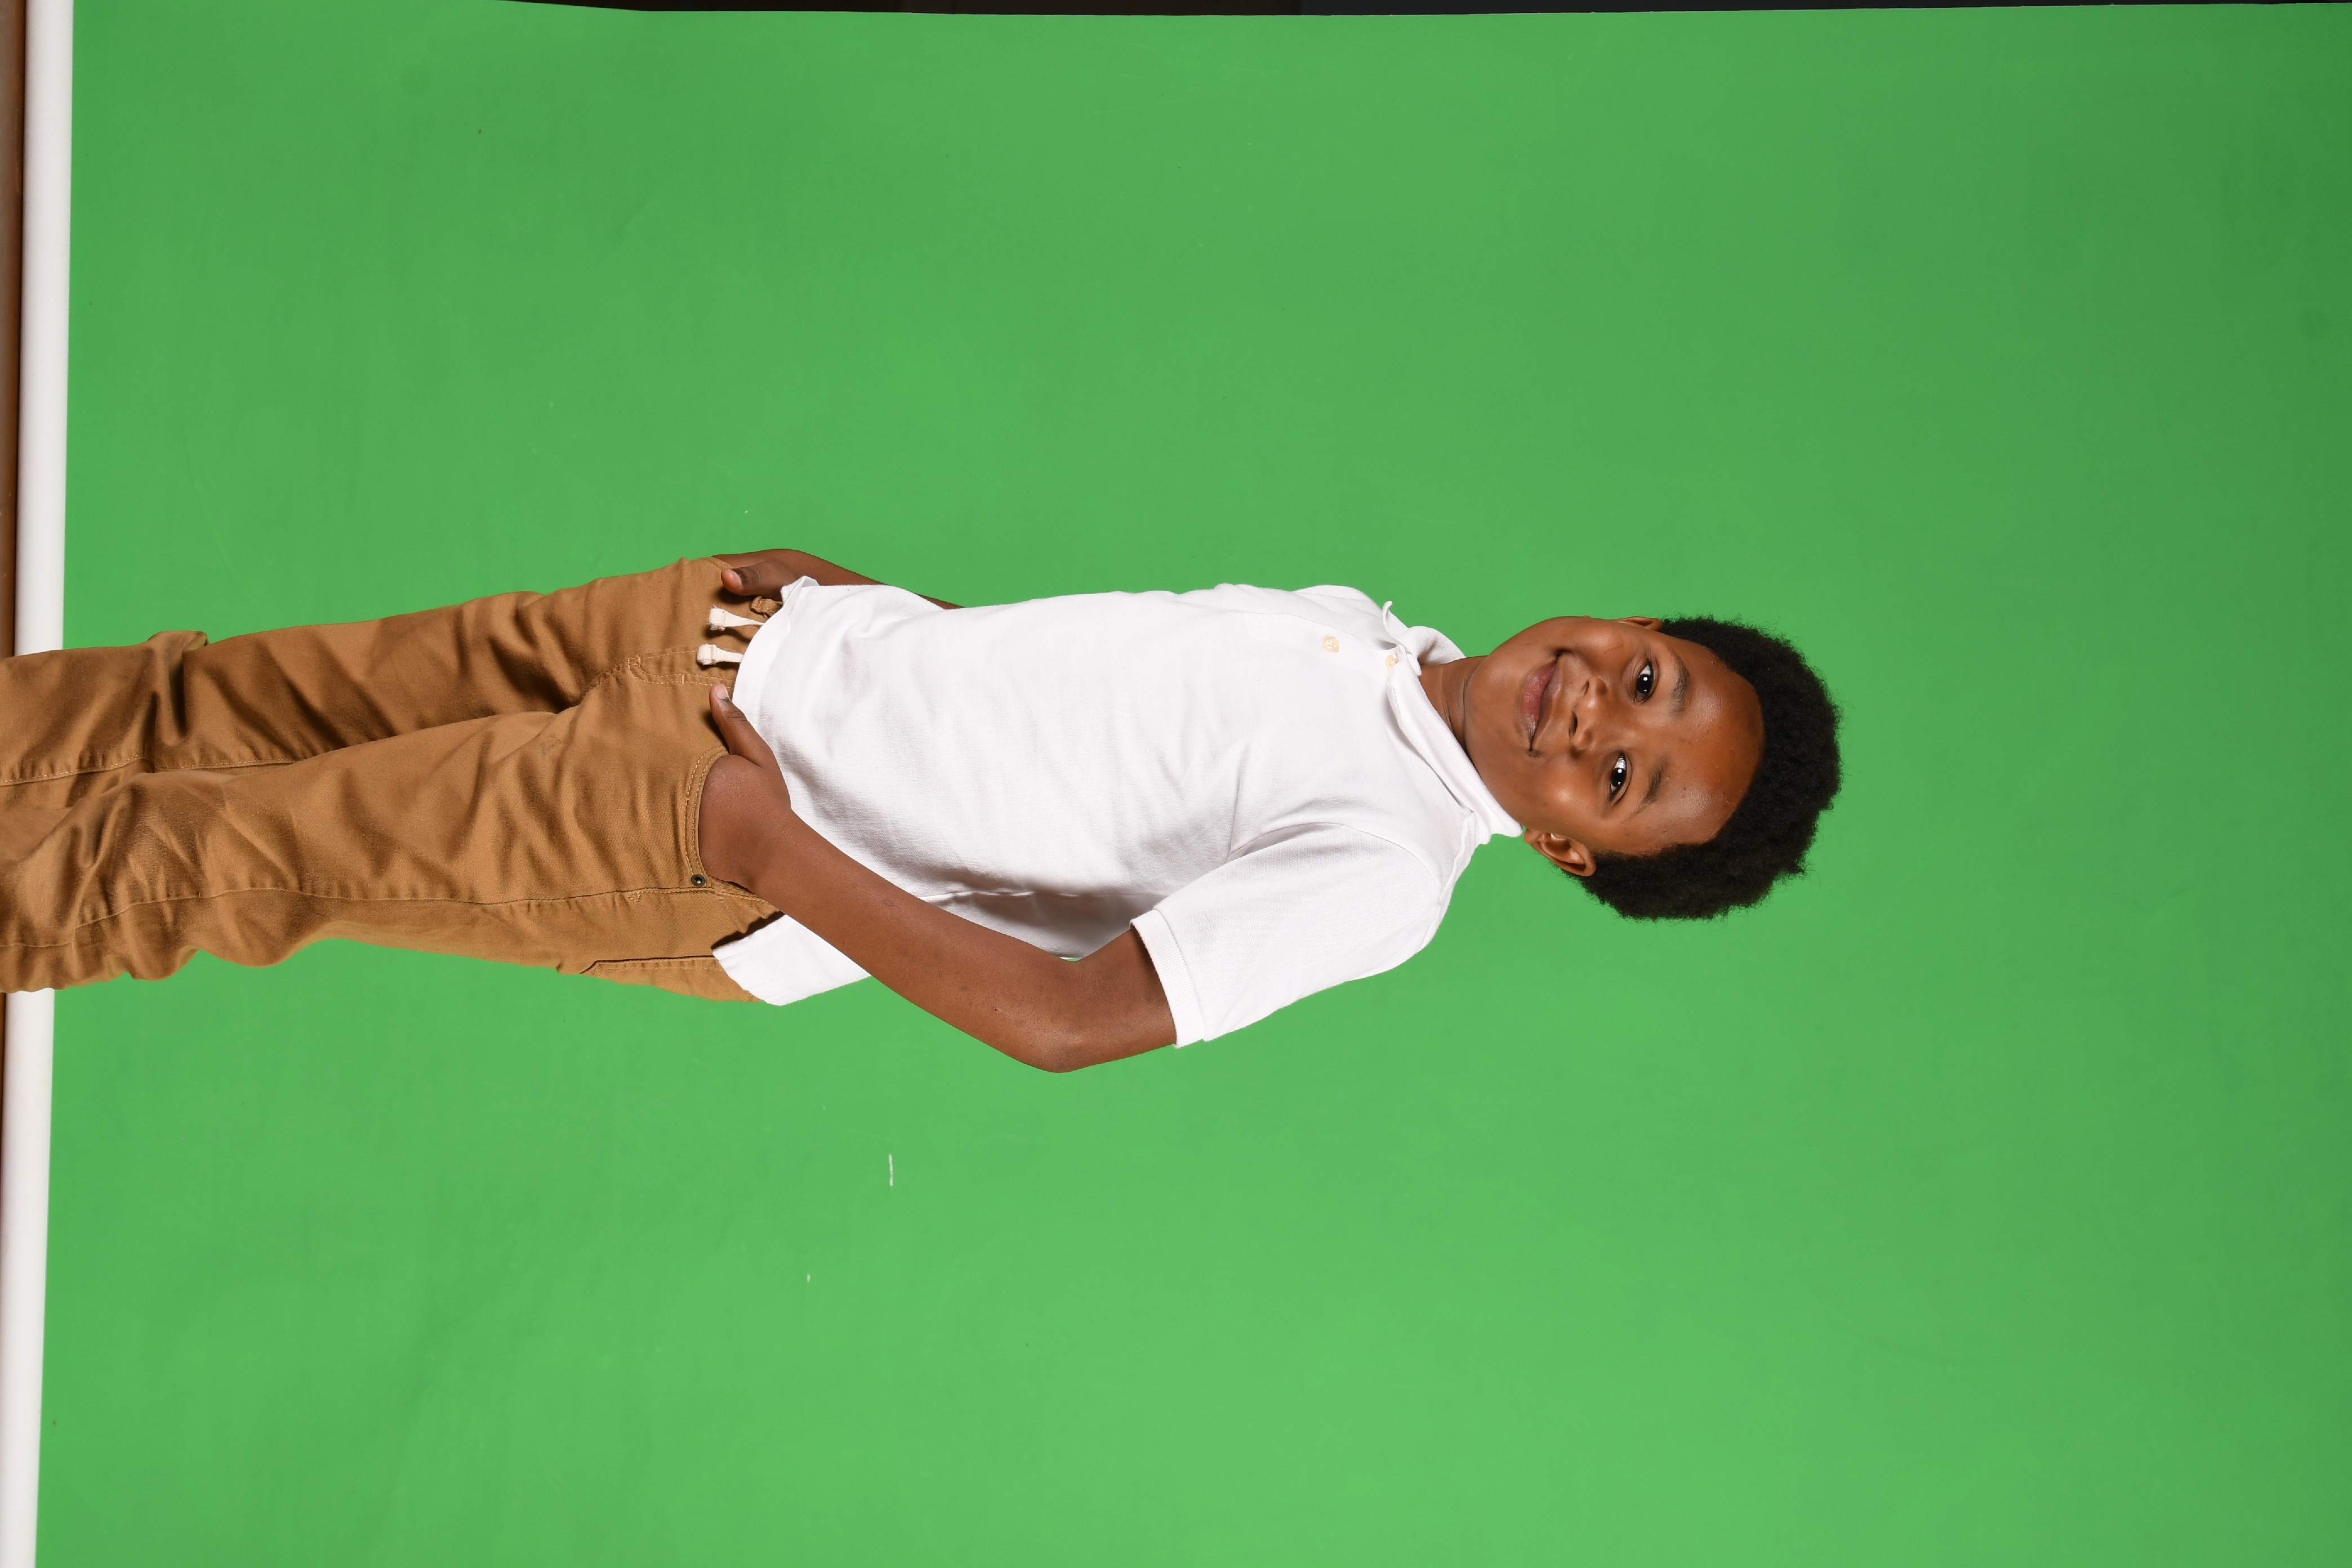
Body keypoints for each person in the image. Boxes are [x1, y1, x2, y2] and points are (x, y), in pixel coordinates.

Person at [0, 549, 1841, 1071]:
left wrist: (760, 845)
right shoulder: (1372, 632)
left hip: (703, 817)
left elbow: (1070, 1018)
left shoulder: (1390, 874)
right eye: (1650, 679)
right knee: (205, 709)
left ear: (1574, 852)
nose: (1598, 713)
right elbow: (1063, 703)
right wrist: (853, 602)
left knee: (195, 861)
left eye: (1622, 779)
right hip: (720, 640)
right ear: (1639, 626)